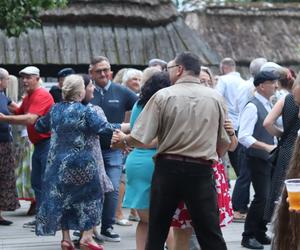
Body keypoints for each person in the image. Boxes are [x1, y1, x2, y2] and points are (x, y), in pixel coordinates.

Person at [112, 51, 230, 250]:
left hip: (168, 168)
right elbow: (224, 144)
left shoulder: (163, 95)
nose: (168, 73)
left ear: (180, 69)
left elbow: (141, 137)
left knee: (157, 230)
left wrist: (124, 140)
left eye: (170, 69)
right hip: (201, 169)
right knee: (210, 233)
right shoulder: (215, 98)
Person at [35, 74, 118, 250]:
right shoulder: (86, 111)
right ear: (80, 92)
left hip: (57, 165)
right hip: (83, 165)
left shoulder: (55, 110)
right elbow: (105, 129)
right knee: (90, 199)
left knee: (63, 199)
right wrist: (124, 132)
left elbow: (39, 126)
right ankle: (86, 237)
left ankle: (66, 239)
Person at [170, 66, 236, 250]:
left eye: (208, 82)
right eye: (201, 81)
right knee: (184, 229)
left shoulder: (218, 105)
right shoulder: (181, 105)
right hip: (186, 170)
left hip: (213, 172)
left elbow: (232, 146)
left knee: (210, 230)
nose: (205, 85)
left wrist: (230, 133)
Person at [89, 56, 138, 242]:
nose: (103, 74)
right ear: (91, 72)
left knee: (113, 188)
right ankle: (87, 228)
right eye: (98, 70)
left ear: (111, 71)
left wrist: (128, 138)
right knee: (90, 189)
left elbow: (143, 109)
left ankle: (107, 227)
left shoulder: (122, 92)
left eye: (106, 70)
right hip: (89, 150)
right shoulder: (86, 92)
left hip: (113, 149)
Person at [0, 66, 54, 229]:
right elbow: (18, 111)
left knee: (46, 182)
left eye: (28, 77)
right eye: (22, 77)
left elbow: (30, 119)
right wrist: (6, 106)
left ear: (37, 78)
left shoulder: (42, 94)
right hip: (38, 144)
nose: (24, 80)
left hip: (48, 143)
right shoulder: (30, 96)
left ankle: (49, 219)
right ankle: (41, 217)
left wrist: (3, 118)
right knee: (37, 182)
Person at [239, 70, 279, 249]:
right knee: (261, 197)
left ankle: (260, 232)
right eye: (273, 82)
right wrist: (266, 146)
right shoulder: (253, 106)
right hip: (257, 158)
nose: (276, 86)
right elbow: (243, 136)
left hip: (269, 158)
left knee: (269, 197)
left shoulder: (269, 104)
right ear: (261, 86)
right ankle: (247, 236)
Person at [232, 57, 267, 222]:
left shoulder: (242, 85)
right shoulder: (251, 90)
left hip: (246, 128)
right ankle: (239, 208)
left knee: (245, 173)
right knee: (245, 174)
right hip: (250, 132)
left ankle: (241, 207)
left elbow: (236, 106)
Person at [0, 68, 20, 225]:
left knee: (4, 177)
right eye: (7, 79)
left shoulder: (3, 97)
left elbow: (19, 109)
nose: (8, 82)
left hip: (5, 142)